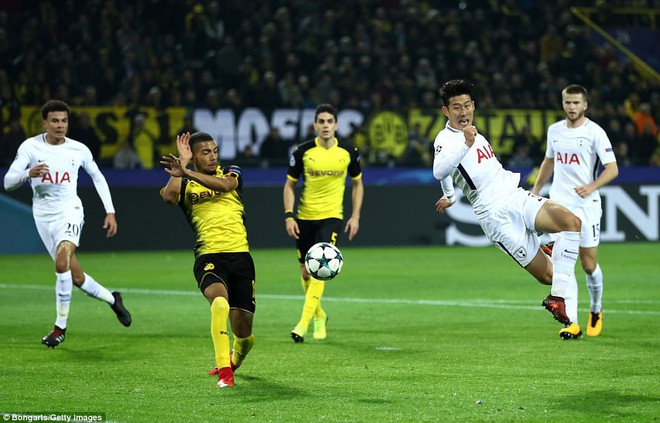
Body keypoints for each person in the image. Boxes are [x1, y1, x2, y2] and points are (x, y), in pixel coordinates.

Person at [432, 80, 583, 339]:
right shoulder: (446, 140)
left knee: (572, 222)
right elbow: (440, 169)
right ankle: (553, 284)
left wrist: (449, 195)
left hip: (515, 197)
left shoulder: (475, 133)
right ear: (446, 111)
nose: (463, 111)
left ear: (474, 106)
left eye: (467, 105)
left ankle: (557, 299)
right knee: (550, 274)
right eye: (456, 107)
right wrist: (465, 146)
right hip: (496, 218)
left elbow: (449, 172)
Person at [3, 99, 131, 348]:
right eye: (55, 121)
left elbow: (98, 177)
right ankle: (113, 299)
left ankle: (59, 328)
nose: (60, 125)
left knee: (61, 262)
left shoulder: (78, 149)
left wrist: (110, 211)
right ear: (44, 123)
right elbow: (8, 181)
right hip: (42, 216)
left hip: (70, 212)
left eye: (64, 121)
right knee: (76, 276)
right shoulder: (30, 147)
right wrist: (27, 174)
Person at [160, 132, 255, 388]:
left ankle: (237, 355)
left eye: (214, 150)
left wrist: (187, 171)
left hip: (241, 256)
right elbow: (169, 197)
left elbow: (225, 186)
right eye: (206, 152)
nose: (213, 156)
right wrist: (180, 167)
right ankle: (225, 372)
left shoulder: (232, 172)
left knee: (244, 332)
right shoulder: (184, 183)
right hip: (208, 255)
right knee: (220, 303)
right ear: (193, 155)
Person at [532, 84, 619, 337]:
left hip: (586, 206)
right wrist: (537, 189)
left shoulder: (595, 133)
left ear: (585, 105)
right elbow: (549, 161)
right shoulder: (554, 131)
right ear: (563, 104)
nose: (571, 107)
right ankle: (571, 321)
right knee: (562, 264)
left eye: (576, 103)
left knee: (588, 264)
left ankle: (596, 309)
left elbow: (612, 169)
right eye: (567, 102)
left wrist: (591, 186)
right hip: (560, 204)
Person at [284, 103, 364, 343]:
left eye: (330, 121)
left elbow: (358, 184)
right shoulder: (302, 152)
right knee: (305, 273)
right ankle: (320, 314)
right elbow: (289, 185)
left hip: (332, 217)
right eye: (322, 121)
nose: (326, 125)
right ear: (315, 126)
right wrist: (289, 215)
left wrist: (355, 216)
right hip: (305, 216)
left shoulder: (349, 152)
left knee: (321, 266)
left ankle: (303, 324)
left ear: (336, 125)